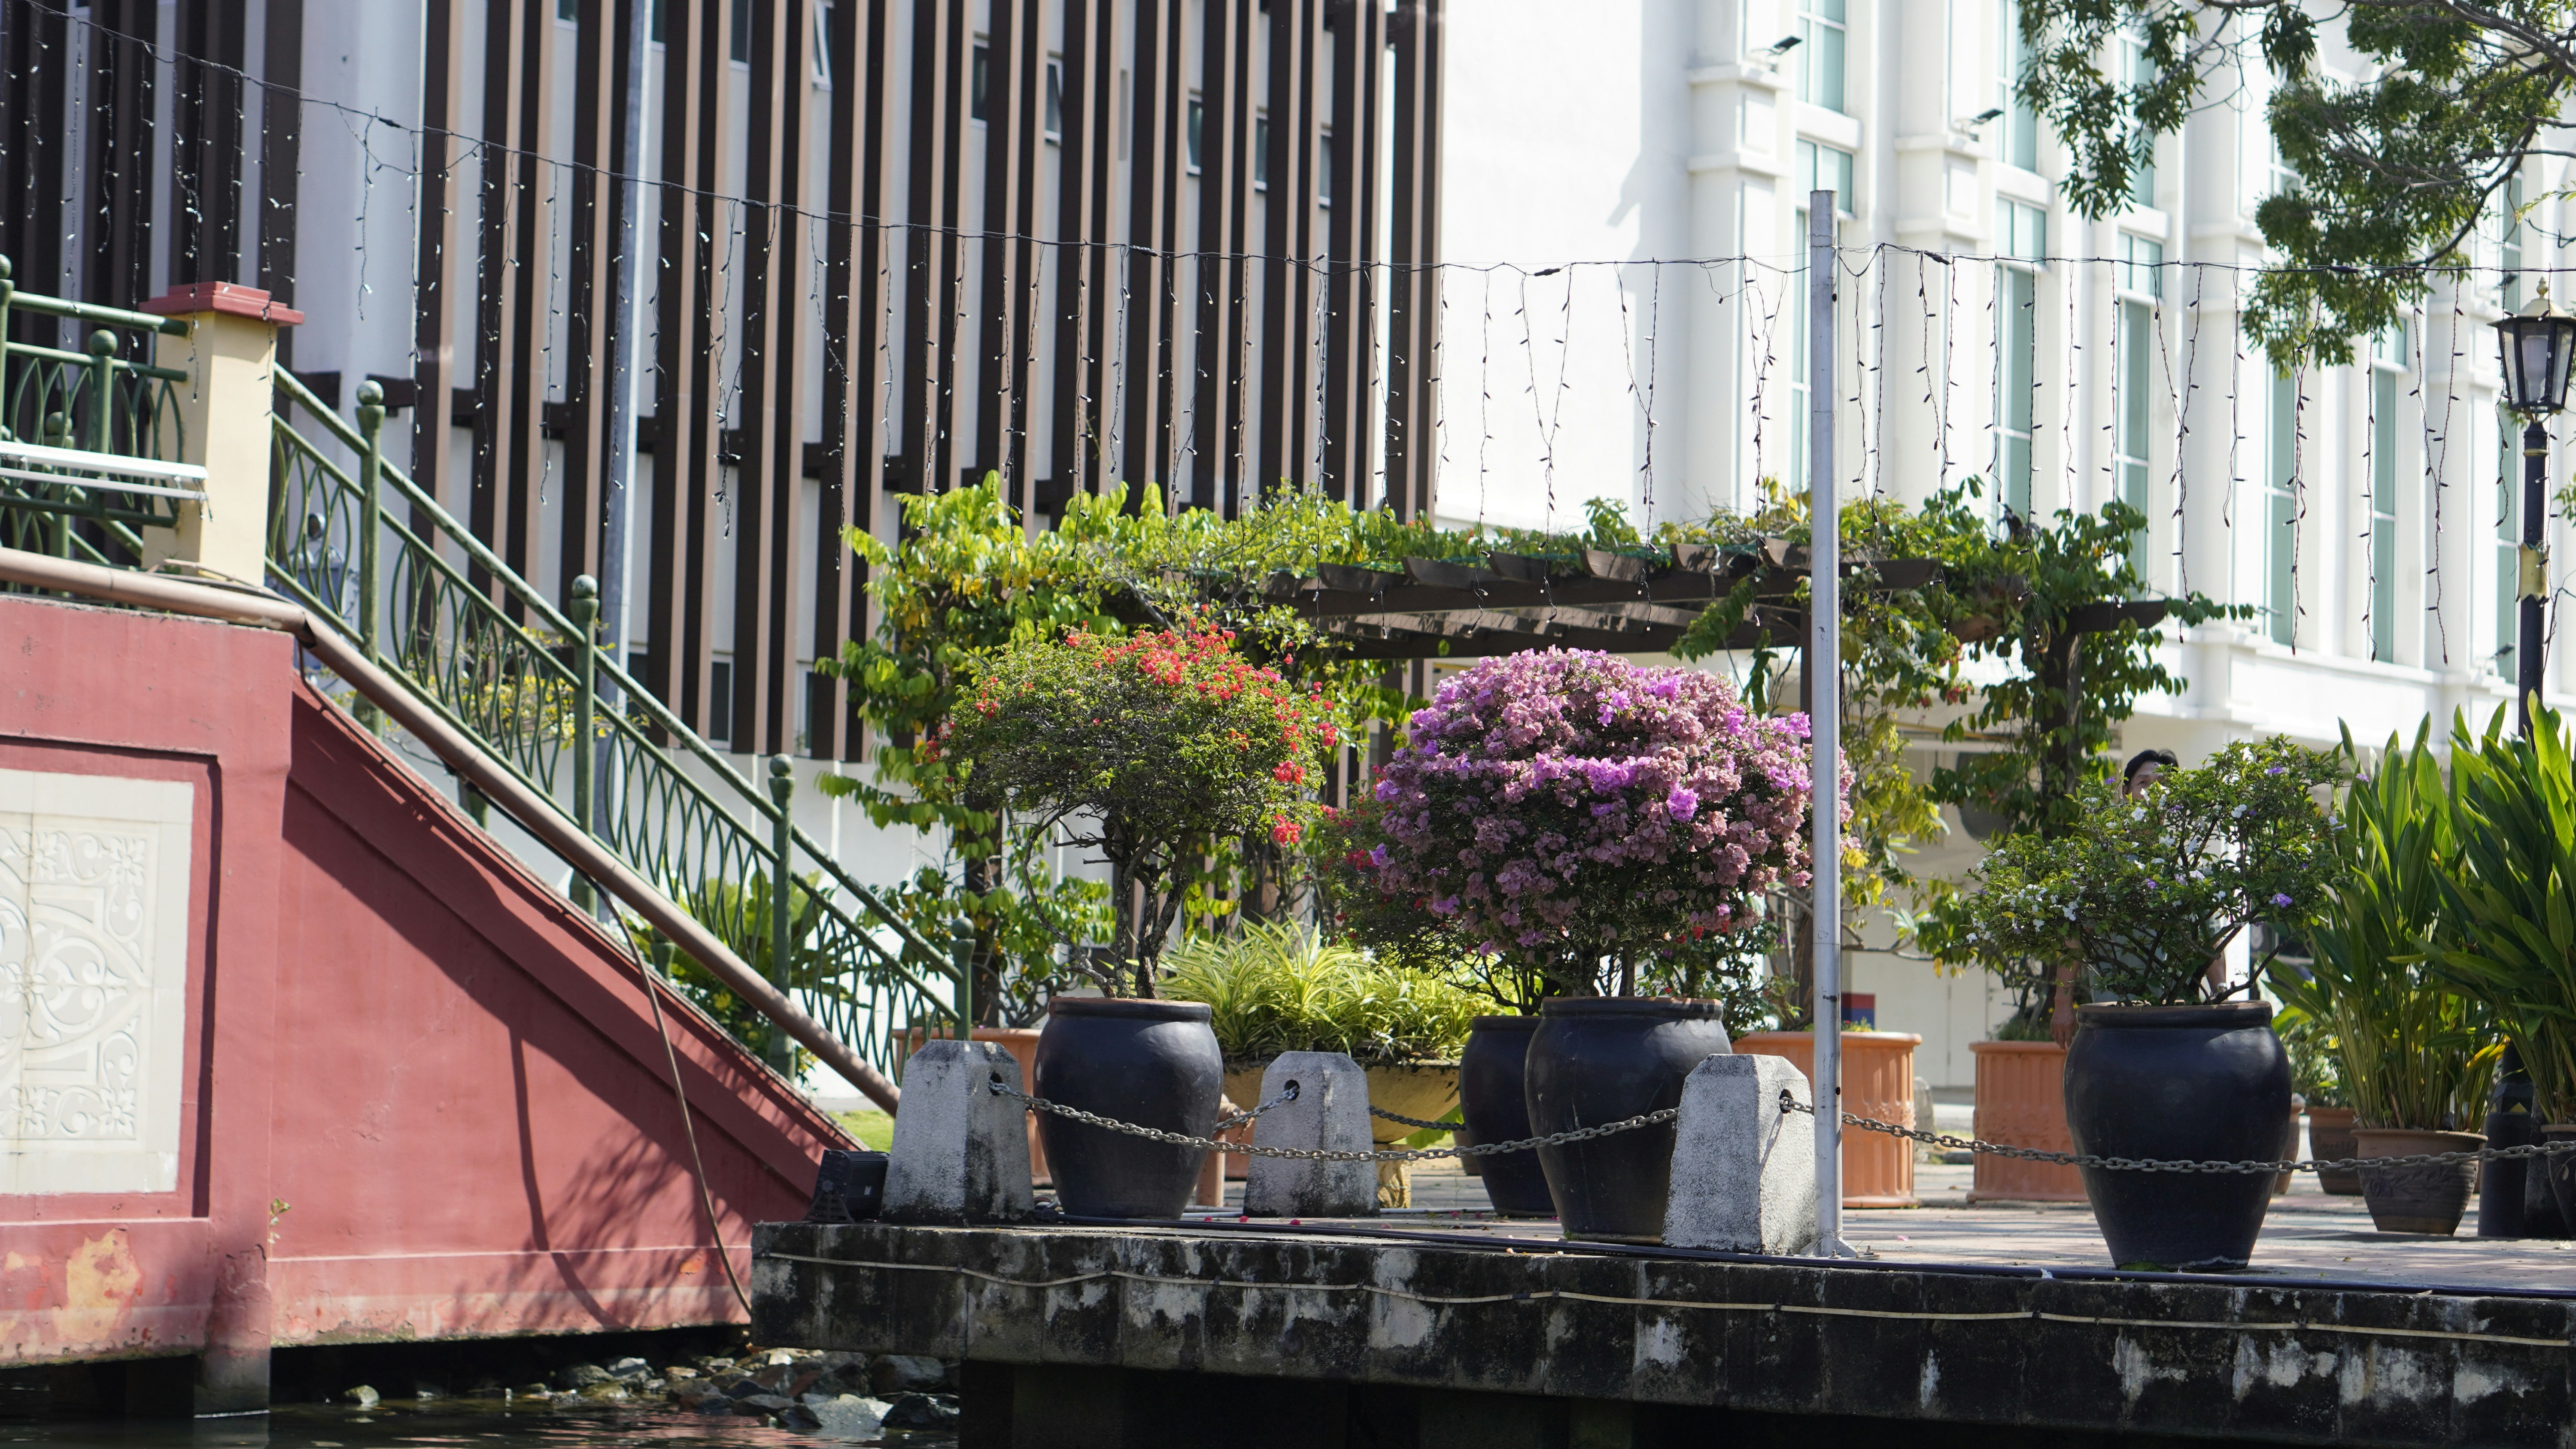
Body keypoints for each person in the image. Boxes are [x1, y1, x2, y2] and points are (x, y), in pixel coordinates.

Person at [2047, 749, 2181, 1048]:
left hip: (2175, 1018)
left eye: (2162, 785)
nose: (2152, 792)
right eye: (2144, 783)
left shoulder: (2183, 866)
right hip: (2114, 1018)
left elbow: (2210, 940)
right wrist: (2063, 1005)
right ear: (2126, 792)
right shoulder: (2106, 863)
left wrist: (2223, 995)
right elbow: (2076, 937)